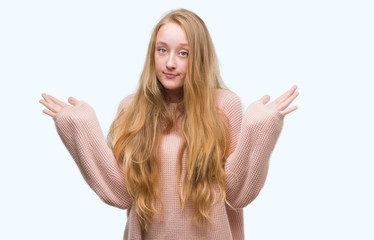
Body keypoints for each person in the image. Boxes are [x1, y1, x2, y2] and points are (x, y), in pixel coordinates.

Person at [39, 8, 298, 240]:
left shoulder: (223, 105)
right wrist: (81, 127)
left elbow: (237, 194)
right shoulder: (131, 109)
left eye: (183, 53)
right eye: (162, 50)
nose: (170, 62)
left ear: (199, 59)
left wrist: (259, 128)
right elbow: (120, 194)